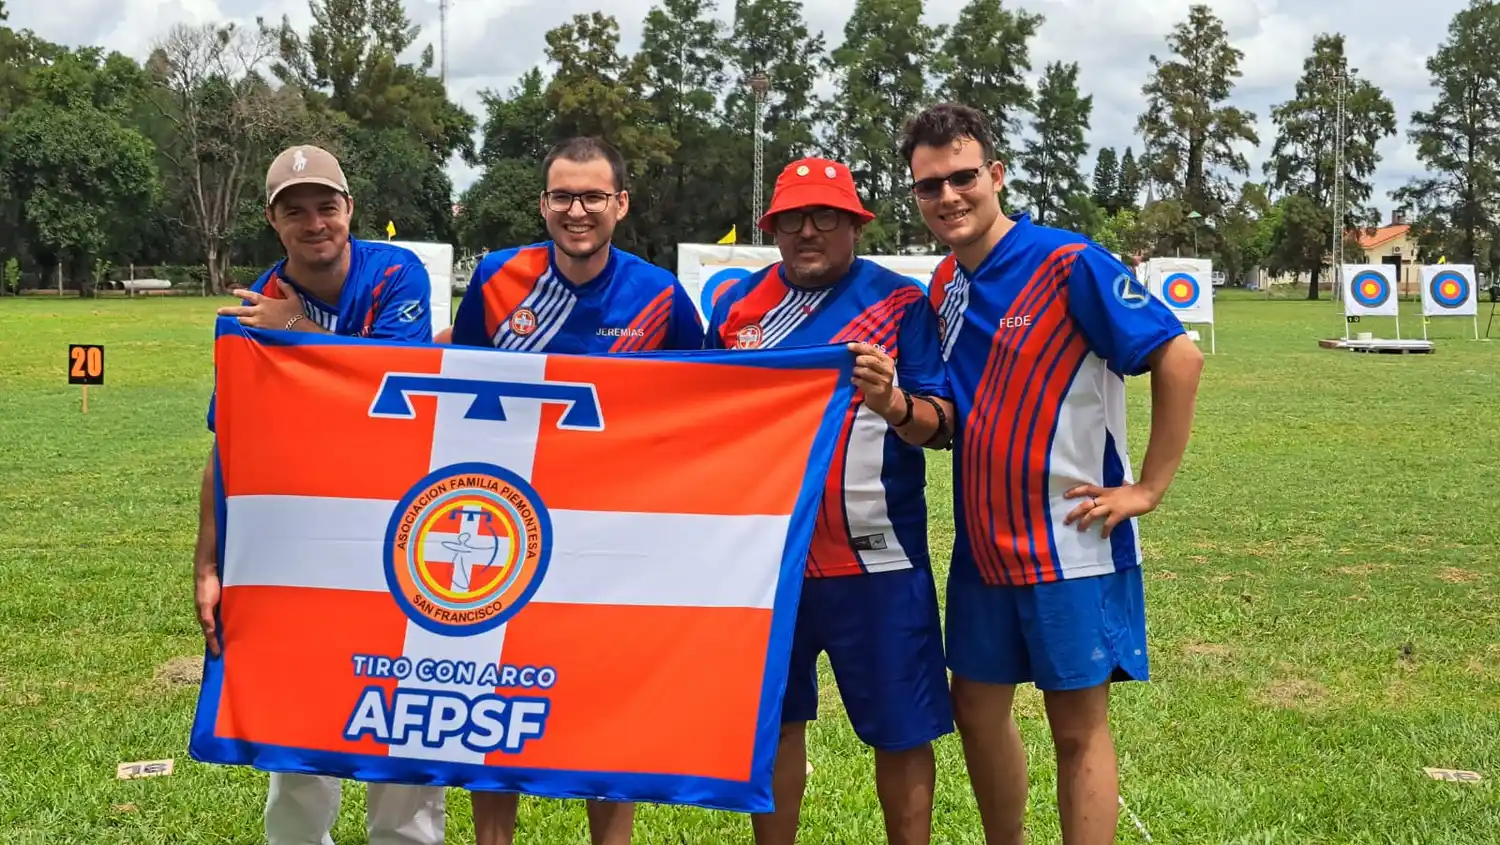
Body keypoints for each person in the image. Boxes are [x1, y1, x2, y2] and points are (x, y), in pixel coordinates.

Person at [898, 102, 1204, 845]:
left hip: (1071, 542)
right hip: (980, 549)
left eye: (963, 177)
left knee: (1076, 726)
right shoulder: (944, 285)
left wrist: (1148, 488)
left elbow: (1179, 356)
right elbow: (946, 417)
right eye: (928, 185)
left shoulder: (1068, 262)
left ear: (995, 175)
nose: (948, 197)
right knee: (974, 709)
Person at [445, 135, 704, 845]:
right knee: (491, 711)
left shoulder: (659, 295)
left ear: (621, 203)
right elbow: (456, 386)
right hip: (508, 528)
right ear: (543, 203)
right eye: (563, 195)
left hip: (614, 541)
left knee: (606, 714)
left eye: (593, 195)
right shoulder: (498, 280)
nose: (577, 209)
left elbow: (709, 404)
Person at [193, 145, 445, 845]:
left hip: (401, 518)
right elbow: (229, 444)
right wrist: (208, 562)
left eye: (325, 205)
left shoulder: (395, 272)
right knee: (299, 707)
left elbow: (394, 388)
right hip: (304, 530)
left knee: (403, 695)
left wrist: (296, 333)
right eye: (294, 210)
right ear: (273, 219)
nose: (314, 222)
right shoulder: (257, 303)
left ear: (349, 210)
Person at [704, 157, 955, 845]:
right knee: (774, 725)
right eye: (792, 219)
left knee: (901, 731)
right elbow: (701, 421)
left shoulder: (900, 304)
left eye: (825, 217)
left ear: (854, 224)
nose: (807, 231)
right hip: (767, 564)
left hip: (877, 563)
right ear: (773, 227)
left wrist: (893, 401)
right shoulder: (735, 308)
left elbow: (944, 422)